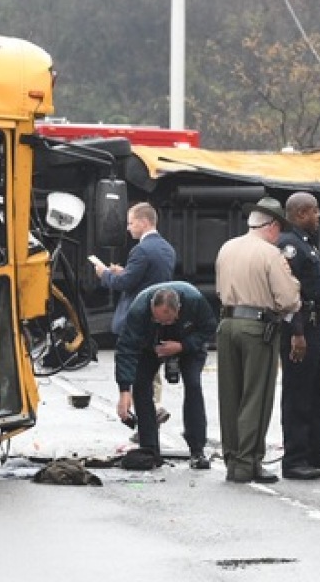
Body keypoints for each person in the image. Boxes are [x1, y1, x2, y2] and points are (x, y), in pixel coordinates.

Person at [215, 196, 301, 484]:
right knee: (256, 396)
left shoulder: (226, 247)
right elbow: (288, 299)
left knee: (230, 397)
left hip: (227, 324)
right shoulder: (270, 254)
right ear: (272, 226)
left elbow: (218, 289)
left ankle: (231, 459)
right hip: (257, 328)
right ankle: (246, 463)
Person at [276, 192, 320, 481]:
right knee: (298, 394)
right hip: (301, 329)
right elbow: (290, 295)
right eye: (315, 212)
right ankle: (295, 458)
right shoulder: (289, 246)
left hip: (317, 326)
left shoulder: (305, 244)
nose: (319, 217)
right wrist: (298, 333)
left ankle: (318, 453)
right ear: (302, 213)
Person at [114, 281, 218, 469]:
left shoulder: (194, 300)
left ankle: (197, 449)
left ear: (179, 309)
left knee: (193, 384)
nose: (163, 323)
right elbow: (126, 348)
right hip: (151, 346)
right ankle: (149, 448)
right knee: (141, 384)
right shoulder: (139, 309)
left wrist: (183, 346)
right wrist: (124, 391)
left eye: (168, 320)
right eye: (158, 320)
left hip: (187, 342)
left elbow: (209, 328)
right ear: (152, 309)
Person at [95, 201, 175, 428]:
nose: (128, 228)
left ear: (143, 222)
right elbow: (148, 278)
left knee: (137, 371)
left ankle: (148, 415)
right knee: (151, 368)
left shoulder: (141, 250)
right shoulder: (167, 249)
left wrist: (104, 274)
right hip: (157, 318)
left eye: (131, 223)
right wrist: (126, 272)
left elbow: (125, 283)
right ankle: (153, 411)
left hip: (137, 318)